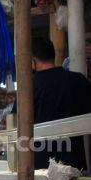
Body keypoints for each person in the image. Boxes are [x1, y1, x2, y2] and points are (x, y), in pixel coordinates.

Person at [17, 37, 91, 171]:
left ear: (32, 60)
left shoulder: (29, 87)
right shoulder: (79, 81)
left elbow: (17, 121)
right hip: (74, 164)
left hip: (41, 166)